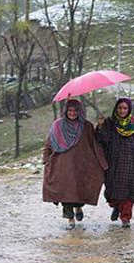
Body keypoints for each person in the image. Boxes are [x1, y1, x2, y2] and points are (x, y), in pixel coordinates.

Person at [43, 99, 108, 230]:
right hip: (62, 166)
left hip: (81, 166)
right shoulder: (57, 125)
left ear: (80, 111)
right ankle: (70, 218)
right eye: (70, 110)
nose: (72, 113)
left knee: (80, 190)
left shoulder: (87, 126)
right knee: (65, 192)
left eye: (75, 110)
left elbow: (96, 142)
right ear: (65, 111)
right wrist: (46, 158)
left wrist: (101, 127)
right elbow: (49, 143)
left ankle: (78, 207)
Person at [96, 98, 134, 228]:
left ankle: (126, 217)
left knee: (129, 191)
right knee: (111, 190)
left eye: (125, 108)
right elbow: (102, 140)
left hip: (132, 161)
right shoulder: (110, 123)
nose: (122, 110)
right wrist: (100, 127)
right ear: (116, 108)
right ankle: (116, 206)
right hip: (113, 162)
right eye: (120, 108)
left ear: (129, 110)